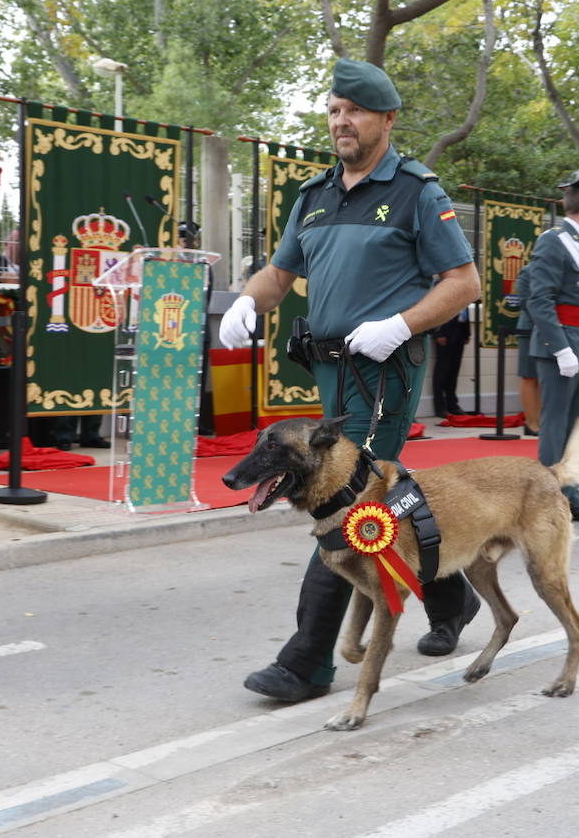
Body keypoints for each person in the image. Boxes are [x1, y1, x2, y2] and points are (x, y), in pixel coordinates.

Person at [217, 58, 482, 703]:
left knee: (346, 499)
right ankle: (454, 597)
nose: (341, 121)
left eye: (355, 111)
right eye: (334, 110)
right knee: (383, 506)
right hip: (329, 370)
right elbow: (279, 275)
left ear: (386, 120)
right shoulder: (314, 196)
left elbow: (464, 283)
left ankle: (308, 660)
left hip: (385, 371)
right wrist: (247, 301)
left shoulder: (419, 192)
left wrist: (401, 323)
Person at [526, 169, 579, 524]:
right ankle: (549, 499)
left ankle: (571, 493)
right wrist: (559, 348)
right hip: (561, 346)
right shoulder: (554, 240)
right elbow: (540, 299)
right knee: (556, 424)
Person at [512, 265, 541, 433]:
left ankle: (543, 421)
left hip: (551, 331)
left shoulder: (557, 269)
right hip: (530, 329)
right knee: (529, 375)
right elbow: (524, 300)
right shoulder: (529, 270)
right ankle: (531, 423)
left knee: (545, 378)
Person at [431, 306, 470, 417]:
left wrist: (467, 333)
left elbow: (465, 313)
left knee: (454, 372)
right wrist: (438, 333)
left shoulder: (465, 292)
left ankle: (452, 405)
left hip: (460, 333)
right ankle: (440, 407)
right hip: (445, 333)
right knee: (441, 372)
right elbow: (437, 311)